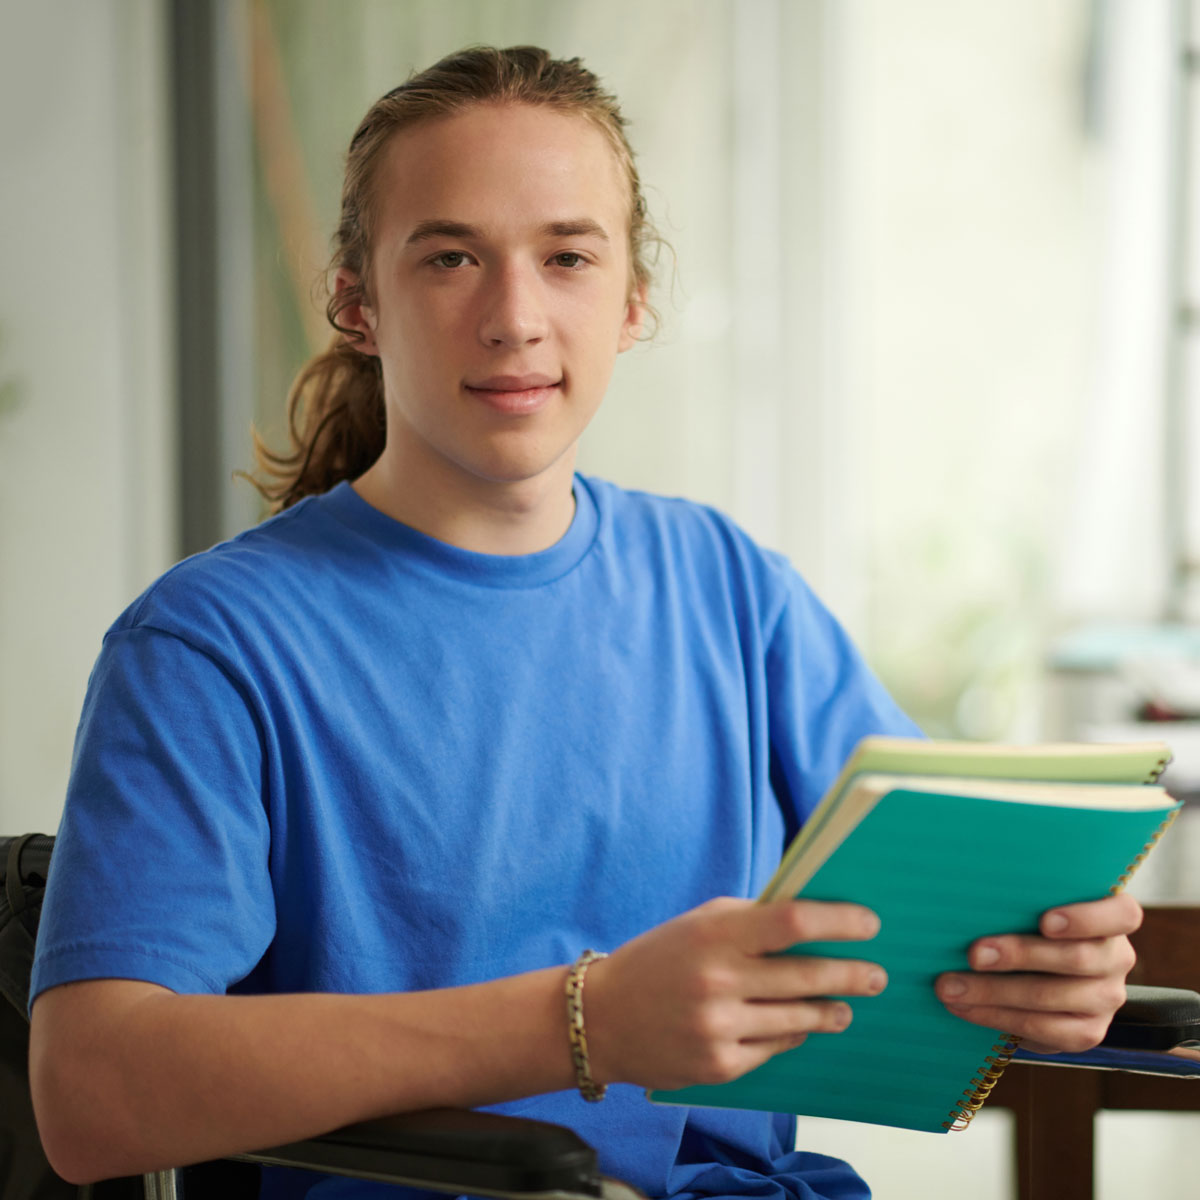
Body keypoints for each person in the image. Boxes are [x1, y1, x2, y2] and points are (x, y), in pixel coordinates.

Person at [29, 46, 1140, 1200]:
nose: (515, 319)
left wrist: (1045, 965)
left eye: (567, 257)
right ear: (358, 301)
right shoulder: (209, 647)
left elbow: (935, 920)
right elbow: (92, 1096)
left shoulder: (727, 585)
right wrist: (584, 1023)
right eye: (451, 257)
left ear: (632, 301)